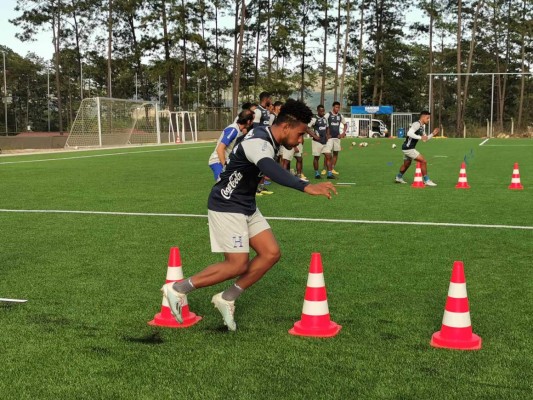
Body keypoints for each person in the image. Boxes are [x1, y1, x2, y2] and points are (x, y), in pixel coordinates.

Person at [162, 99, 337, 331]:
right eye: (300, 133)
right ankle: (177, 289)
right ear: (285, 127)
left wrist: (311, 134)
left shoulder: (269, 136)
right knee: (237, 265)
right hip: (227, 204)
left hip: (246, 205)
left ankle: (227, 297)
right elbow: (271, 169)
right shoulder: (259, 141)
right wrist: (305, 186)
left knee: (271, 253)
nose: (300, 139)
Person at [394, 110, 439, 186]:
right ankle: (426, 180)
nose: (428, 120)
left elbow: (425, 139)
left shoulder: (422, 127)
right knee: (423, 161)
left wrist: (432, 134)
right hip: (409, 148)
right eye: (428, 118)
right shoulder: (416, 124)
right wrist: (420, 137)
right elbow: (409, 133)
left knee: (406, 164)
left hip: (407, 147)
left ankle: (398, 177)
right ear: (423, 117)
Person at [209, 109, 254, 181]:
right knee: (223, 184)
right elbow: (220, 149)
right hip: (217, 161)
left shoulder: (240, 130)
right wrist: (225, 167)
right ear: (248, 121)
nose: (253, 122)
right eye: (252, 120)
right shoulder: (233, 130)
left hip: (228, 162)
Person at [308, 105, 334, 179]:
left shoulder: (325, 119)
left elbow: (327, 127)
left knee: (329, 156)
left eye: (323, 111)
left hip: (324, 141)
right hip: (317, 142)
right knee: (316, 157)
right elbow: (307, 128)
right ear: (318, 111)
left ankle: (329, 174)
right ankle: (317, 173)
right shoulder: (314, 119)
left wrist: (328, 134)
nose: (323, 112)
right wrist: (314, 136)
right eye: (321, 111)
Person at [323, 101, 347, 175]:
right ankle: (324, 169)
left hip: (337, 137)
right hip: (329, 138)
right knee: (328, 154)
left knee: (335, 153)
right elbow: (322, 122)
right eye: (336, 107)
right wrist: (326, 134)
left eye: (338, 107)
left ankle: (332, 168)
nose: (337, 109)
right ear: (333, 107)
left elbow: (345, 124)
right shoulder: (328, 114)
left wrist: (343, 133)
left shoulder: (340, 116)